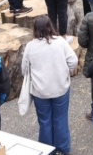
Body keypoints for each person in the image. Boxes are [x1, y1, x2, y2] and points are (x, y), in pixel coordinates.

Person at [22, 16, 77, 155]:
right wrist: (64, 71)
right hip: (60, 88)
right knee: (60, 119)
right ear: (50, 26)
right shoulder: (60, 42)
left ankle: (46, 150)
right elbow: (73, 61)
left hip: (40, 91)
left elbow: (24, 70)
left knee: (45, 122)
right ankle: (63, 149)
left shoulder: (30, 46)